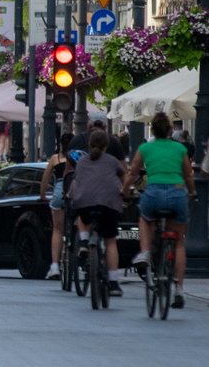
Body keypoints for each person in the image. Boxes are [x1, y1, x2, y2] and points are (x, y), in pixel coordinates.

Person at [123, 112, 197, 309]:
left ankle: (146, 253)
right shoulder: (180, 148)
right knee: (179, 242)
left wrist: (124, 190)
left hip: (153, 193)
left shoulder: (145, 148)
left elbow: (133, 173)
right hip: (177, 194)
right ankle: (178, 289)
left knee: (145, 219)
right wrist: (193, 192)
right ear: (170, 130)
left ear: (153, 130)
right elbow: (188, 175)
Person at [71, 129, 126, 298]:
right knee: (110, 241)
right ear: (107, 145)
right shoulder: (112, 161)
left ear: (89, 144)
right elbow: (124, 176)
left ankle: (84, 243)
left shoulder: (81, 162)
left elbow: (77, 182)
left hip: (84, 204)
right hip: (109, 204)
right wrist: (125, 192)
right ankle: (113, 282)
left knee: (82, 217)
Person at [40, 132, 73, 280]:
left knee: (58, 230)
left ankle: (54, 266)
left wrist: (42, 195)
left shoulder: (55, 159)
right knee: (78, 224)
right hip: (75, 192)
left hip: (59, 191)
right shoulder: (79, 157)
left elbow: (45, 179)